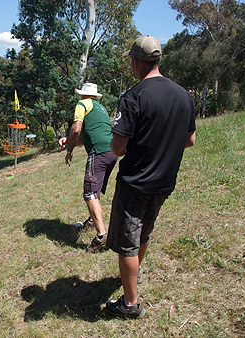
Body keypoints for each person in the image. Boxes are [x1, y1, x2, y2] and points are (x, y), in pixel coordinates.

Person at [105, 35, 196, 318]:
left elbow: (118, 148)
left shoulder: (133, 97)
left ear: (135, 61)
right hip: (164, 181)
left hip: (135, 182)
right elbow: (190, 139)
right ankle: (137, 273)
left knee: (126, 242)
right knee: (144, 232)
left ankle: (130, 305)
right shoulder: (183, 95)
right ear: (158, 60)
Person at [59, 83, 118, 253]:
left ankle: (102, 237)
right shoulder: (101, 108)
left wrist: (69, 150)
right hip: (112, 151)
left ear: (83, 95)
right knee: (95, 189)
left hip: (98, 152)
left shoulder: (82, 104)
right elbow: (87, 136)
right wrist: (68, 139)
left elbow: (76, 130)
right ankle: (93, 221)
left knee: (90, 192)